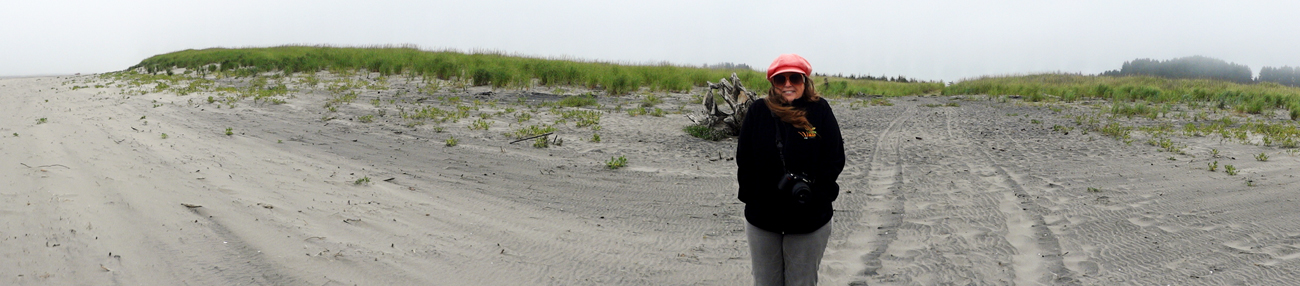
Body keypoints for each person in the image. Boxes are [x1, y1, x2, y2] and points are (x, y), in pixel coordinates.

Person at [736, 54, 846, 285]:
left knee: (802, 281)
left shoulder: (819, 111)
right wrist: (752, 197)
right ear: (772, 84)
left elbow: (834, 158)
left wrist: (818, 195)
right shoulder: (758, 111)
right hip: (763, 217)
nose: (787, 84)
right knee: (765, 280)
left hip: (809, 216)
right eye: (780, 79)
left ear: (805, 81)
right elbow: (744, 159)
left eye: (794, 78)